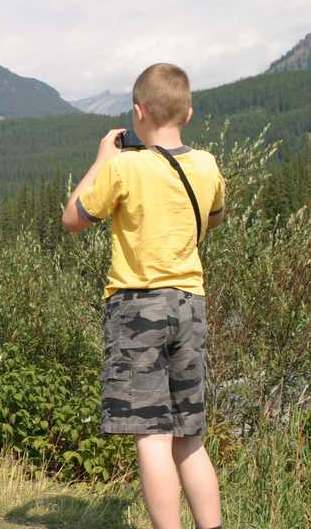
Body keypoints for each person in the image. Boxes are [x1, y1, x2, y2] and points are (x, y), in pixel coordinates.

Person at [61, 63, 226, 529]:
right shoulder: (207, 164)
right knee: (189, 436)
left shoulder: (124, 167)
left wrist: (102, 159)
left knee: (152, 436)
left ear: (138, 112)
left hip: (138, 308)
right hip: (190, 304)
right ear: (188, 114)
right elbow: (214, 217)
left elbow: (72, 218)